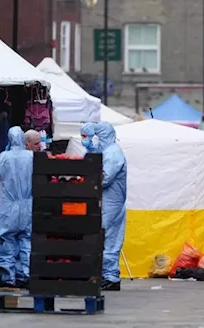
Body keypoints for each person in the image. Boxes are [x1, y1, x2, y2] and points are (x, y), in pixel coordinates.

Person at [80, 122, 127, 291]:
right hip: (107, 202)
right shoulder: (107, 151)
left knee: (108, 239)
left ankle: (110, 277)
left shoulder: (113, 153)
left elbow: (105, 178)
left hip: (111, 203)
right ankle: (106, 275)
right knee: (104, 238)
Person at [0, 126, 33, 289]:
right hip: (26, 205)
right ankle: (25, 274)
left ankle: (8, 277)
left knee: (6, 240)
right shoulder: (31, 157)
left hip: (8, 206)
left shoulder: (4, 157)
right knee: (26, 240)